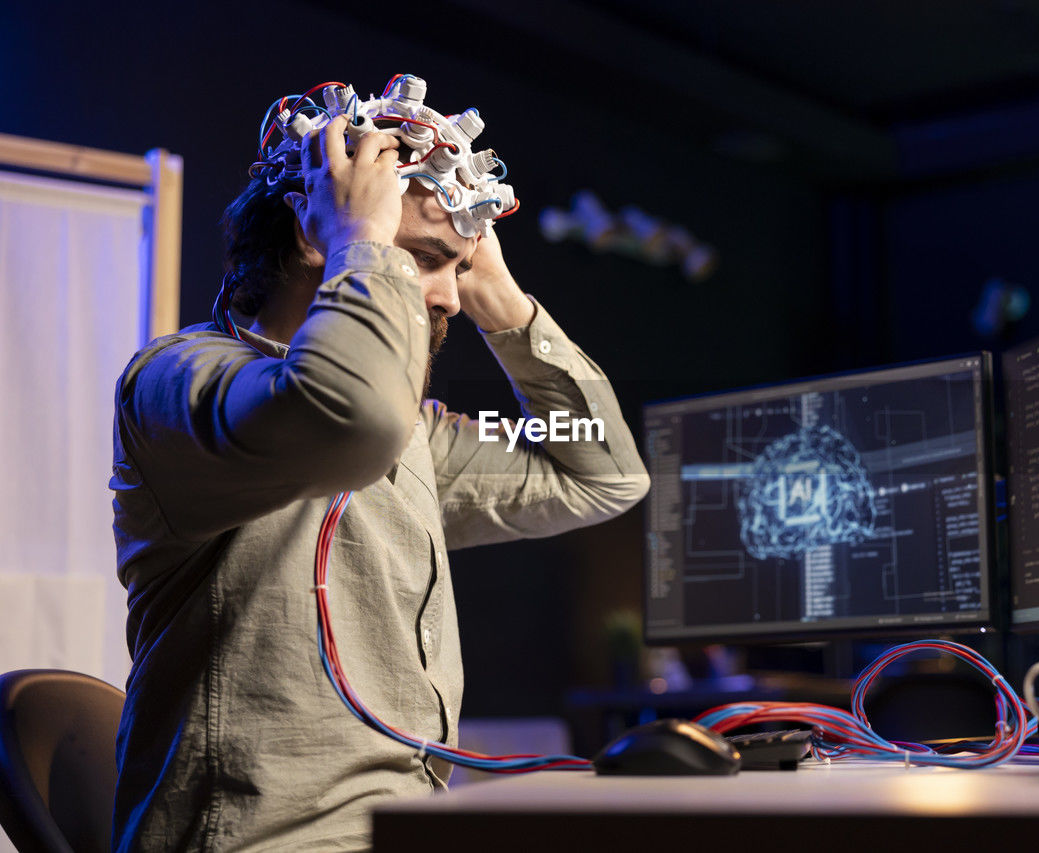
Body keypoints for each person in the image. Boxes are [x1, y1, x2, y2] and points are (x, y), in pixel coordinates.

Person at [109, 90, 649, 850]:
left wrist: (496, 295)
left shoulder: (417, 435)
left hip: (404, 829)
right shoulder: (178, 380)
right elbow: (351, 415)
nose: (444, 297)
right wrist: (364, 237)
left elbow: (603, 472)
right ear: (312, 231)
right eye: (423, 257)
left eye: (454, 268)